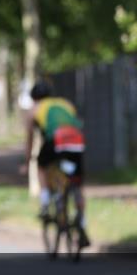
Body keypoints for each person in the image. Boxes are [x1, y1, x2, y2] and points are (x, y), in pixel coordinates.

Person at [20, 81, 90, 248]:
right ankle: (82, 224)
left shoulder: (34, 110)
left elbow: (30, 139)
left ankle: (45, 202)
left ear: (33, 98)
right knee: (77, 182)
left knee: (41, 165)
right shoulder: (66, 103)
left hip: (55, 141)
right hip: (76, 140)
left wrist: (27, 159)